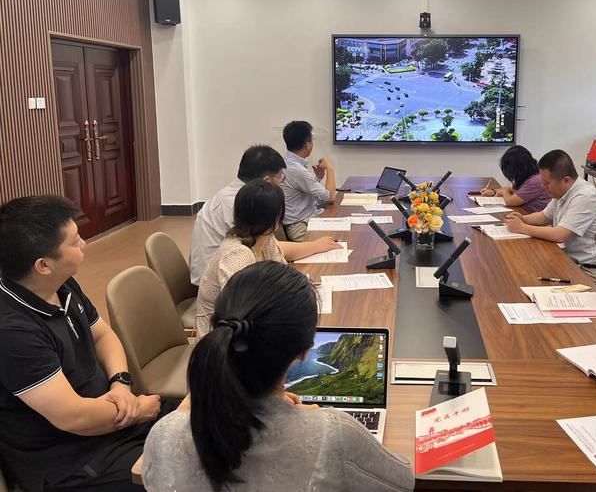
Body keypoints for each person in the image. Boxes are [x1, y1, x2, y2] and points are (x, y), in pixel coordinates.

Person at [143, 261, 415, 491]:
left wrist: (196, 401)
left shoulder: (164, 437)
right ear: (304, 351)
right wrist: (307, 419)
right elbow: (404, 481)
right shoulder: (334, 434)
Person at [0, 196, 162, 491]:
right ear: (43, 265)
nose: (84, 244)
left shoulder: (61, 285)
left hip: (111, 418)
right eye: (75, 242)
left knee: (206, 421)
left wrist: (121, 384)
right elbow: (73, 417)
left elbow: (103, 335)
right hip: (68, 458)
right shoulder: (13, 332)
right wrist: (137, 410)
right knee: (183, 470)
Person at [196, 180, 337, 338]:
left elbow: (280, 273)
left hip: (249, 326)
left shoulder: (264, 238)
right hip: (220, 338)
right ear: (277, 220)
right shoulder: (237, 255)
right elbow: (240, 312)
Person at [190, 144, 337, 286]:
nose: (282, 182)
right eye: (280, 177)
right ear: (266, 181)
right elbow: (270, 247)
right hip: (222, 284)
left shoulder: (236, 195)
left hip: (232, 273)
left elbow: (270, 247)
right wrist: (315, 246)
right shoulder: (242, 203)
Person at [505, 149, 596, 291]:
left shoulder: (584, 197)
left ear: (566, 180)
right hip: (572, 262)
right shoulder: (561, 192)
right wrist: (523, 218)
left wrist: (522, 227)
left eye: (546, 183)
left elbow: (559, 235)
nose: (543, 187)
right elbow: (544, 216)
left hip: (591, 272)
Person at [281, 121, 337, 241]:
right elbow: (330, 197)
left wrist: (318, 178)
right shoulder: (297, 169)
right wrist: (330, 168)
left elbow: (302, 190)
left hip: (305, 220)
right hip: (301, 227)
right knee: (341, 237)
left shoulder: (288, 163)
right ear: (308, 145)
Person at [480, 145, 551, 212]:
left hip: (533, 217)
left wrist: (504, 191)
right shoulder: (526, 176)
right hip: (524, 213)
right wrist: (494, 192)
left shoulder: (535, 180)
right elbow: (513, 190)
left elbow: (511, 202)